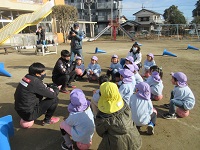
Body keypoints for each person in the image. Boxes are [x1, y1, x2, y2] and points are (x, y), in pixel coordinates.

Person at [95, 82, 142, 150]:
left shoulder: (103, 116)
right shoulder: (124, 104)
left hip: (116, 145)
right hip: (134, 139)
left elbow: (100, 132)